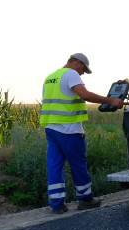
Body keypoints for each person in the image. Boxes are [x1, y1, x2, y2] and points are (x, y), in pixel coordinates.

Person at [40, 53, 124, 214]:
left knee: (54, 166)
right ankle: (85, 199)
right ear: (75, 62)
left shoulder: (51, 77)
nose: (83, 73)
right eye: (83, 69)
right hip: (69, 130)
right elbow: (84, 94)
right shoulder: (71, 74)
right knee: (78, 164)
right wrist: (111, 101)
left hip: (51, 128)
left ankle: (56, 204)